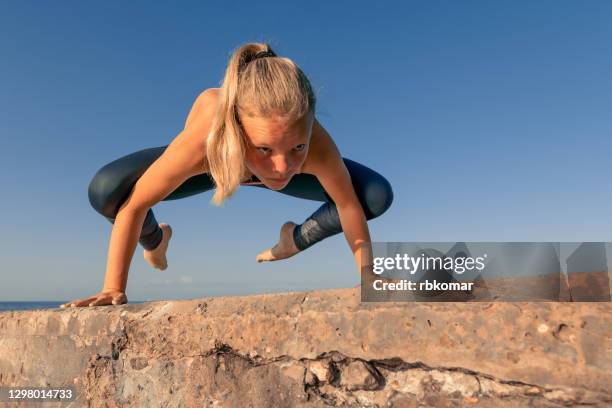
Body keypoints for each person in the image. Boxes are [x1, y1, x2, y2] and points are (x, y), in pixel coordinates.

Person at [61, 42, 393, 308]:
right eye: (264, 148)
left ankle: (293, 239)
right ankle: (156, 241)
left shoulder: (317, 145)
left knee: (374, 196)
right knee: (106, 191)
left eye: (297, 147)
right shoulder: (204, 140)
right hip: (215, 166)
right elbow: (134, 206)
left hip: (250, 166)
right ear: (236, 129)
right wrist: (112, 287)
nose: (283, 167)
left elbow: (348, 205)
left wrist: (370, 275)